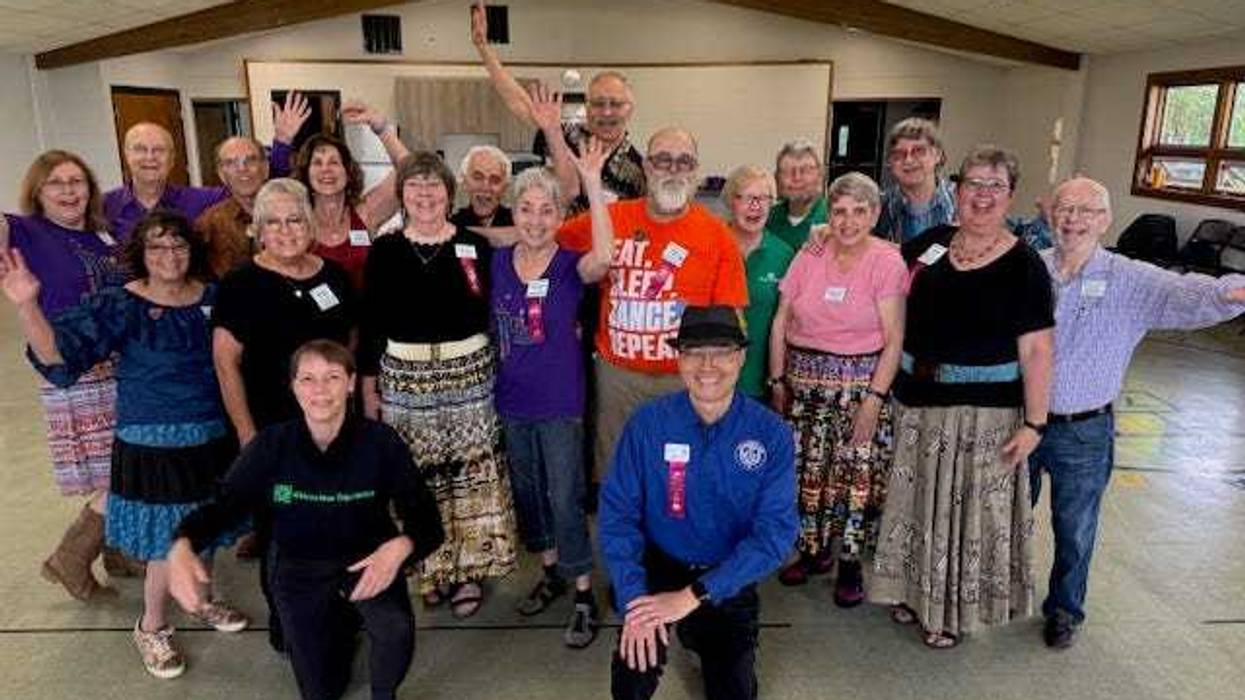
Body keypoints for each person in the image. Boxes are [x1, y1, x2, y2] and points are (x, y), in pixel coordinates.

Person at [1, 211, 248, 679]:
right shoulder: (120, 303)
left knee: (206, 529)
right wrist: (27, 305)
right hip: (150, 441)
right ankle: (151, 625)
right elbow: (58, 357)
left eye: (178, 246)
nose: (169, 256)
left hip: (210, 435)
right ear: (141, 254)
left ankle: (200, 599)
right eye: (157, 248)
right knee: (163, 542)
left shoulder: (215, 297)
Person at [1031, 177, 1245, 649]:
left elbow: (1189, 292)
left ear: (1106, 221)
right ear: (1051, 215)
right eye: (1065, 208)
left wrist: (1233, 291)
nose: (1073, 219)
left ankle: (1064, 609)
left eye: (1087, 211)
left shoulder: (1130, 278)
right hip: (1020, 423)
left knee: (1074, 530)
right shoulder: (1031, 268)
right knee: (1003, 517)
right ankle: (994, 593)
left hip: (1083, 430)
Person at [167, 339, 445, 700]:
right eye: (307, 379)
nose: (320, 391)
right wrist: (182, 543)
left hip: (369, 560)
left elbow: (427, 520)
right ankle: (338, 633)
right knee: (320, 689)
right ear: (293, 387)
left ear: (350, 383)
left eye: (331, 377)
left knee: (395, 630)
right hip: (299, 567)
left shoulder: (381, 443)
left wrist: (401, 547)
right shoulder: (271, 446)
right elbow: (225, 504)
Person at [870, 146, 1054, 649]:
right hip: (917, 404)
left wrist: (1035, 423)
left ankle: (950, 613)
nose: (982, 195)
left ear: (1010, 194)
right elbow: (876, 264)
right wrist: (825, 239)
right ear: (957, 188)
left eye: (995, 185)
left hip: (984, 415)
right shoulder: (929, 245)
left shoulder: (1025, 265)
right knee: (919, 506)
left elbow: (1037, 349)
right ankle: (913, 595)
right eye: (973, 183)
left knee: (965, 519)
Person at [599, 304, 797, 700]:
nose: (707, 365)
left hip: (727, 574)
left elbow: (775, 534)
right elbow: (618, 515)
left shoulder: (770, 434)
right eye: (693, 351)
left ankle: (698, 631)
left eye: (721, 351)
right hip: (658, 564)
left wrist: (692, 597)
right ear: (679, 358)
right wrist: (636, 599)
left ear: (741, 358)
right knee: (630, 681)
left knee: (734, 692)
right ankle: (683, 630)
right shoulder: (648, 424)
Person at [359, 151, 517, 618]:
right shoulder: (385, 250)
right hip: (406, 380)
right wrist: (369, 391)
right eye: (415, 185)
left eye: (434, 186)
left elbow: (494, 312)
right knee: (417, 477)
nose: (425, 194)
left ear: (451, 194)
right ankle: (429, 567)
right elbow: (371, 324)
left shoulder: (474, 245)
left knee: (468, 476)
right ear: (402, 195)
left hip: (470, 375)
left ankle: (468, 571)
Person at [212, 177, 357, 650]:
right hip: (274, 432)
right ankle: (289, 623)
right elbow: (225, 362)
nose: (286, 230)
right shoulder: (241, 284)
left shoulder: (332, 276)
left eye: (295, 219)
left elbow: (350, 343)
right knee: (282, 532)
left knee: (338, 523)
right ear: (257, 230)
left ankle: (338, 611)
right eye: (272, 221)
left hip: (335, 430)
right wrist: (246, 433)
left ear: (310, 223)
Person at [558, 126, 748, 484]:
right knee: (617, 472)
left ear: (696, 171)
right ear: (645, 166)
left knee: (678, 476)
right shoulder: (611, 219)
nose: (673, 169)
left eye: (684, 162)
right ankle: (619, 539)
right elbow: (546, 244)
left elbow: (732, 321)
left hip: (683, 379)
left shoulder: (717, 236)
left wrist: (721, 384)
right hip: (618, 378)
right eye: (663, 160)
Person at [491, 146, 612, 646]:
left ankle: (583, 591)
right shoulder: (496, 262)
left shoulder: (568, 266)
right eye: (526, 209)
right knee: (529, 495)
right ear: (513, 212)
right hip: (511, 401)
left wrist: (590, 180)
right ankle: (550, 571)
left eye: (547, 210)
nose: (536, 220)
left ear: (562, 216)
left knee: (565, 497)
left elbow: (605, 257)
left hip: (561, 403)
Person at [768, 172, 906, 606]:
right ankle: (813, 551)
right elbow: (780, 320)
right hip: (804, 386)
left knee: (852, 479)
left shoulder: (886, 261)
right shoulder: (810, 254)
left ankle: (849, 564)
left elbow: (895, 338)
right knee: (808, 474)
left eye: (859, 212)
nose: (847, 222)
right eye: (840, 212)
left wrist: (874, 400)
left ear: (875, 214)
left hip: (856, 388)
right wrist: (776, 380)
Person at [1, 150, 129, 599]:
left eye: (77, 181)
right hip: (73, 366)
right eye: (56, 183)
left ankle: (117, 551)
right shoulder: (23, 231)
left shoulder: (104, 234)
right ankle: (70, 558)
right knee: (123, 473)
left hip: (119, 365)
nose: (69, 190)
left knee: (116, 469)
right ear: (37, 191)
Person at [471, 0, 644, 211]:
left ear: (630, 108)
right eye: (598, 104)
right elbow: (520, 103)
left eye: (615, 104)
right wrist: (483, 49)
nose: (606, 112)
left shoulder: (639, 170)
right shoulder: (567, 136)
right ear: (587, 109)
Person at [105, 93, 308, 239]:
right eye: (140, 149)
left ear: (173, 158)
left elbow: (258, 187)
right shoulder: (104, 206)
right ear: (126, 154)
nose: (150, 157)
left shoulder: (202, 200)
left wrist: (282, 142)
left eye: (159, 150)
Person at [873, 117, 1052, 249]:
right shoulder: (876, 206)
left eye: (919, 151)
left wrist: (1047, 222)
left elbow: (1022, 241)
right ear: (889, 162)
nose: (909, 160)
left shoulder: (967, 198)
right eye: (899, 154)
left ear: (938, 155)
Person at [294, 100, 409, 291]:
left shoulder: (366, 213)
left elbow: (411, 174)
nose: (326, 170)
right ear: (306, 174)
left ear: (348, 172)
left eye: (334, 162)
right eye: (317, 163)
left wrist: (382, 129)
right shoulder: (296, 222)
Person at [720, 164, 794, 399]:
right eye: (748, 198)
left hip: (761, 385)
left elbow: (787, 324)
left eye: (764, 198)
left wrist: (777, 381)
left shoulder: (784, 254)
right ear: (731, 201)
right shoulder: (712, 243)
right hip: (711, 380)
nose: (756, 206)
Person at [196, 136, 270, 279]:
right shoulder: (209, 223)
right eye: (231, 163)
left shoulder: (291, 213)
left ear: (265, 168)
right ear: (221, 174)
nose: (242, 169)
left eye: (251, 160)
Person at [766, 139, 828, 249]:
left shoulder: (836, 218)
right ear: (776, 178)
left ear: (820, 175)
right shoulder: (766, 219)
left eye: (805, 171)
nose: (797, 178)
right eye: (788, 171)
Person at [452, 145, 515, 234]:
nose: (485, 187)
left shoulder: (519, 227)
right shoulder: (450, 228)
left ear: (505, 187)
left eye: (495, 180)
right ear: (464, 182)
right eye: (478, 178)